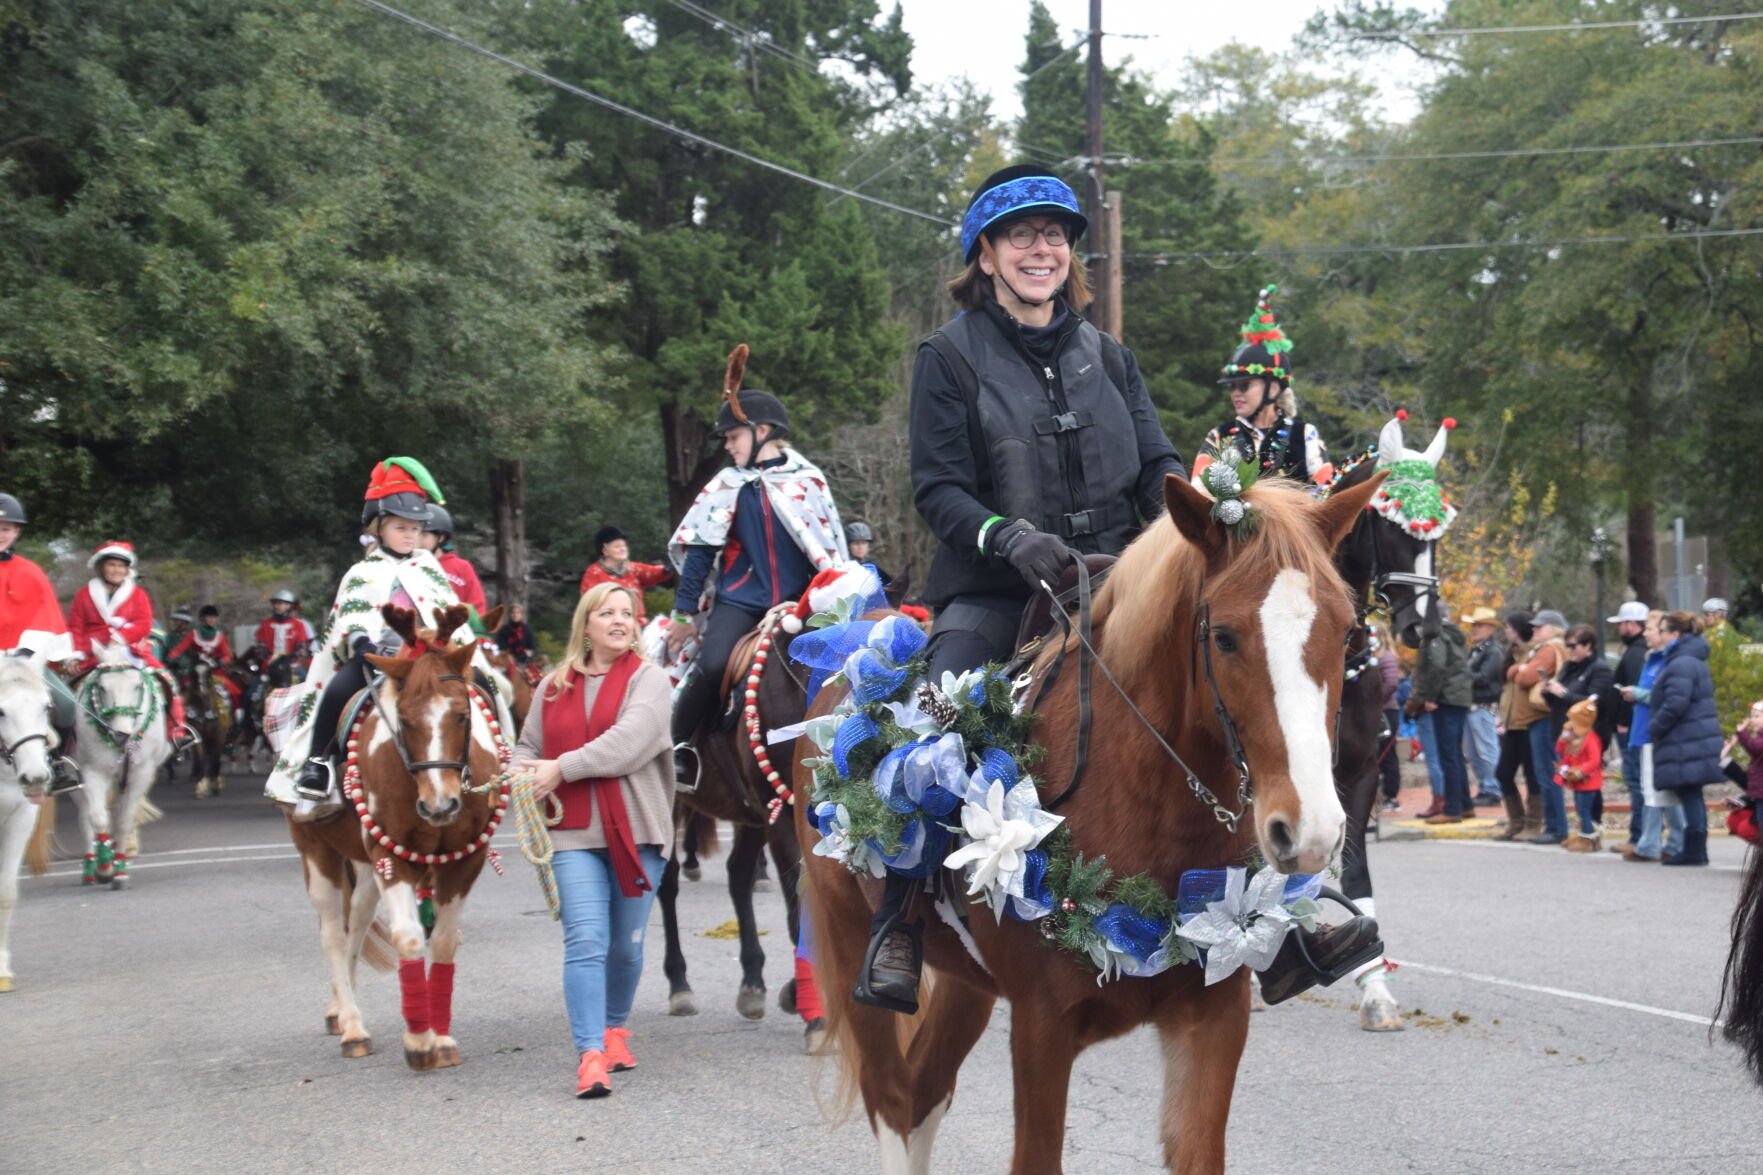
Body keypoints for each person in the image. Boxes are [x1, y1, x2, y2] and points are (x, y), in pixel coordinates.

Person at [264, 457, 501, 817]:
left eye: (414, 528)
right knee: (338, 689)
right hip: (382, 657)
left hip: (432, 657)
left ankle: (497, 754)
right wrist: (361, 642)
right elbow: (353, 613)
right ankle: (317, 763)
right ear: (378, 529)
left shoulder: (429, 569)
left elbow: (445, 610)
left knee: (483, 680)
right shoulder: (363, 571)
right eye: (400, 527)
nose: (409, 535)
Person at [513, 583, 673, 1098]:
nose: (621, 621)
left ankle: (613, 1027)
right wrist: (520, 777)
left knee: (626, 948)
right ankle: (590, 1054)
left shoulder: (650, 681)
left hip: (639, 832)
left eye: (628, 613)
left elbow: (630, 742)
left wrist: (561, 768)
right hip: (572, 835)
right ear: (587, 624)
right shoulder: (552, 687)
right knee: (586, 941)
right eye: (608, 613)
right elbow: (526, 748)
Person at [667, 353, 847, 791]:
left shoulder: (808, 481)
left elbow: (828, 548)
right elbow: (699, 554)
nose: (727, 445)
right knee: (711, 667)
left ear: (761, 431)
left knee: (848, 664)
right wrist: (682, 614)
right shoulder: (724, 485)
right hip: (741, 601)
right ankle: (681, 748)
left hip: (805, 599)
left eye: (732, 436)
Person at [1191, 283, 1335, 489]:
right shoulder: (1220, 436)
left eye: (1244, 386)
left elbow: (1326, 488)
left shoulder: (1304, 434)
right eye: (1232, 387)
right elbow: (1196, 489)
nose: (1236, 394)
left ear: (1273, 389)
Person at [66, 541, 191, 747]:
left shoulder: (137, 594)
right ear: (101, 567)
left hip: (131, 651)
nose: (116, 570)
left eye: (121, 566)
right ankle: (66, 745)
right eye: (112, 565)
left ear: (127, 569)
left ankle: (177, 730)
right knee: (66, 692)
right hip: (93, 653)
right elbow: (75, 627)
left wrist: (121, 637)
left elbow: (143, 623)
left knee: (168, 681)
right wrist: (76, 654)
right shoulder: (83, 594)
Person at [0, 493, 82, 792]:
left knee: (67, 704)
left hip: (28, 662)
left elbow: (46, 617)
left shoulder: (31, 572)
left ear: (17, 532)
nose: (1, 534)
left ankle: (57, 762)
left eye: (6, 528)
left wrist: (28, 652)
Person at [1645, 611, 1722, 866]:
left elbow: (1676, 703)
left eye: (1664, 631)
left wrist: (1655, 727)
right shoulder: (1688, 659)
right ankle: (1695, 849)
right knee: (1692, 793)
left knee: (1690, 793)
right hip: (1691, 736)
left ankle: (1695, 850)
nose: (1661, 635)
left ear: (1676, 634)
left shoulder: (1682, 662)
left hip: (1686, 737)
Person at [1619, 610, 1683, 861]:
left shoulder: (1668, 660)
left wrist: (1637, 693)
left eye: (1650, 629)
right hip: (1645, 727)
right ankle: (1672, 841)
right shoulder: (1652, 657)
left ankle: (1652, 843)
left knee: (1655, 787)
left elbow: (1662, 694)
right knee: (1655, 788)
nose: (1645, 632)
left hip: (1654, 730)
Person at [1409, 603, 1473, 823]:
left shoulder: (1435, 636)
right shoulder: (1454, 635)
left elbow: (1436, 667)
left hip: (1445, 699)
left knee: (1448, 756)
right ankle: (1465, 804)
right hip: (1459, 698)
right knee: (1454, 754)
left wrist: (1429, 697)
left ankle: (1452, 809)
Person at [1513, 608, 1570, 843]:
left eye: (1540, 626)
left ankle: (1555, 828)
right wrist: (1520, 669)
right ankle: (1555, 826)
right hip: (1545, 716)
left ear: (1553, 629)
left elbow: (1525, 678)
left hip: (1543, 716)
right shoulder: (1551, 648)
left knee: (1546, 772)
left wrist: (1521, 669)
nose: (1534, 630)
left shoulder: (1548, 649)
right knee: (1547, 772)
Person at [1494, 612, 1546, 840]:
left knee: (1533, 774)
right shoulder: (1512, 654)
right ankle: (1517, 821)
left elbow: (1529, 679)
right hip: (1511, 723)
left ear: (1518, 629)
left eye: (1508, 627)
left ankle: (1534, 823)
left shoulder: (1535, 653)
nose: (1506, 631)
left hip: (1530, 721)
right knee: (1503, 773)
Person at [1607, 601, 1651, 855]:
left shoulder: (1635, 653)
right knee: (1638, 781)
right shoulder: (1637, 650)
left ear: (1632, 624)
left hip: (1631, 727)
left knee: (1636, 781)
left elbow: (1630, 692)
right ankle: (1641, 834)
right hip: (1633, 725)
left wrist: (1623, 721)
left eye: (1622, 623)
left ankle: (1638, 836)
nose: (1620, 628)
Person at [580, 526, 673, 629]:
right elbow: (589, 604)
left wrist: (667, 568)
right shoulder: (594, 573)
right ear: (605, 550)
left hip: (639, 627)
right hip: (611, 628)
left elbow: (653, 573)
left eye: (624, 545)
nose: (623, 549)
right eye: (617, 546)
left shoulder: (632, 568)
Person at [167, 604, 242, 717]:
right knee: (183, 687)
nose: (212, 619)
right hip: (196, 670)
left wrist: (220, 662)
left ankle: (236, 715)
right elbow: (179, 649)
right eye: (209, 617)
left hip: (214, 671)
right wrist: (169, 659)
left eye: (214, 617)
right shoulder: (194, 634)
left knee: (231, 689)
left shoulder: (219, 635)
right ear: (203, 619)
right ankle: (181, 715)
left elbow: (228, 655)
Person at [1464, 607, 1506, 805]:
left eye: (1479, 625)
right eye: (1474, 625)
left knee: (1487, 749)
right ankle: (1485, 786)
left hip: (1483, 704)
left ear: (1489, 628)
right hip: (1473, 705)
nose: (1475, 629)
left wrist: (1460, 677)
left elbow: (1484, 678)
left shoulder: (1493, 652)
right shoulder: (1476, 650)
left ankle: (1493, 788)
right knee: (1474, 753)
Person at [420, 505, 489, 620]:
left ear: (440, 538)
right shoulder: (406, 567)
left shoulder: (461, 567)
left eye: (424, 535)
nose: (417, 540)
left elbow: (477, 608)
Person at [1555, 697, 1605, 852]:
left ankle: (1588, 837)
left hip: (1588, 782)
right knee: (1580, 809)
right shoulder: (1575, 737)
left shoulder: (1590, 739)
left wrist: (1581, 771)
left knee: (1584, 810)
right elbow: (1561, 751)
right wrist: (1563, 739)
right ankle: (1584, 835)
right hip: (1578, 782)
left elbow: (1595, 760)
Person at [1375, 622, 1402, 810]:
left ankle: (1391, 796)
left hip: (1386, 710)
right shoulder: (1373, 657)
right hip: (1379, 710)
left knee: (1387, 753)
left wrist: (1376, 700)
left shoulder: (1386, 657)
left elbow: (1392, 682)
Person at [254, 589, 316, 665]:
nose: (276, 606)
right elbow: (260, 647)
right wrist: (268, 660)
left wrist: (290, 660)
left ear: (288, 606)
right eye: (274, 604)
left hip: (292, 665)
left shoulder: (298, 624)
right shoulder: (265, 624)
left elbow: (301, 648)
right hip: (269, 665)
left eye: (280, 604)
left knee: (305, 676)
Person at [844, 520, 896, 589]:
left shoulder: (873, 565)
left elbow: (889, 585)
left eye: (863, 543)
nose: (860, 547)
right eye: (856, 544)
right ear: (848, 546)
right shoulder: (844, 566)